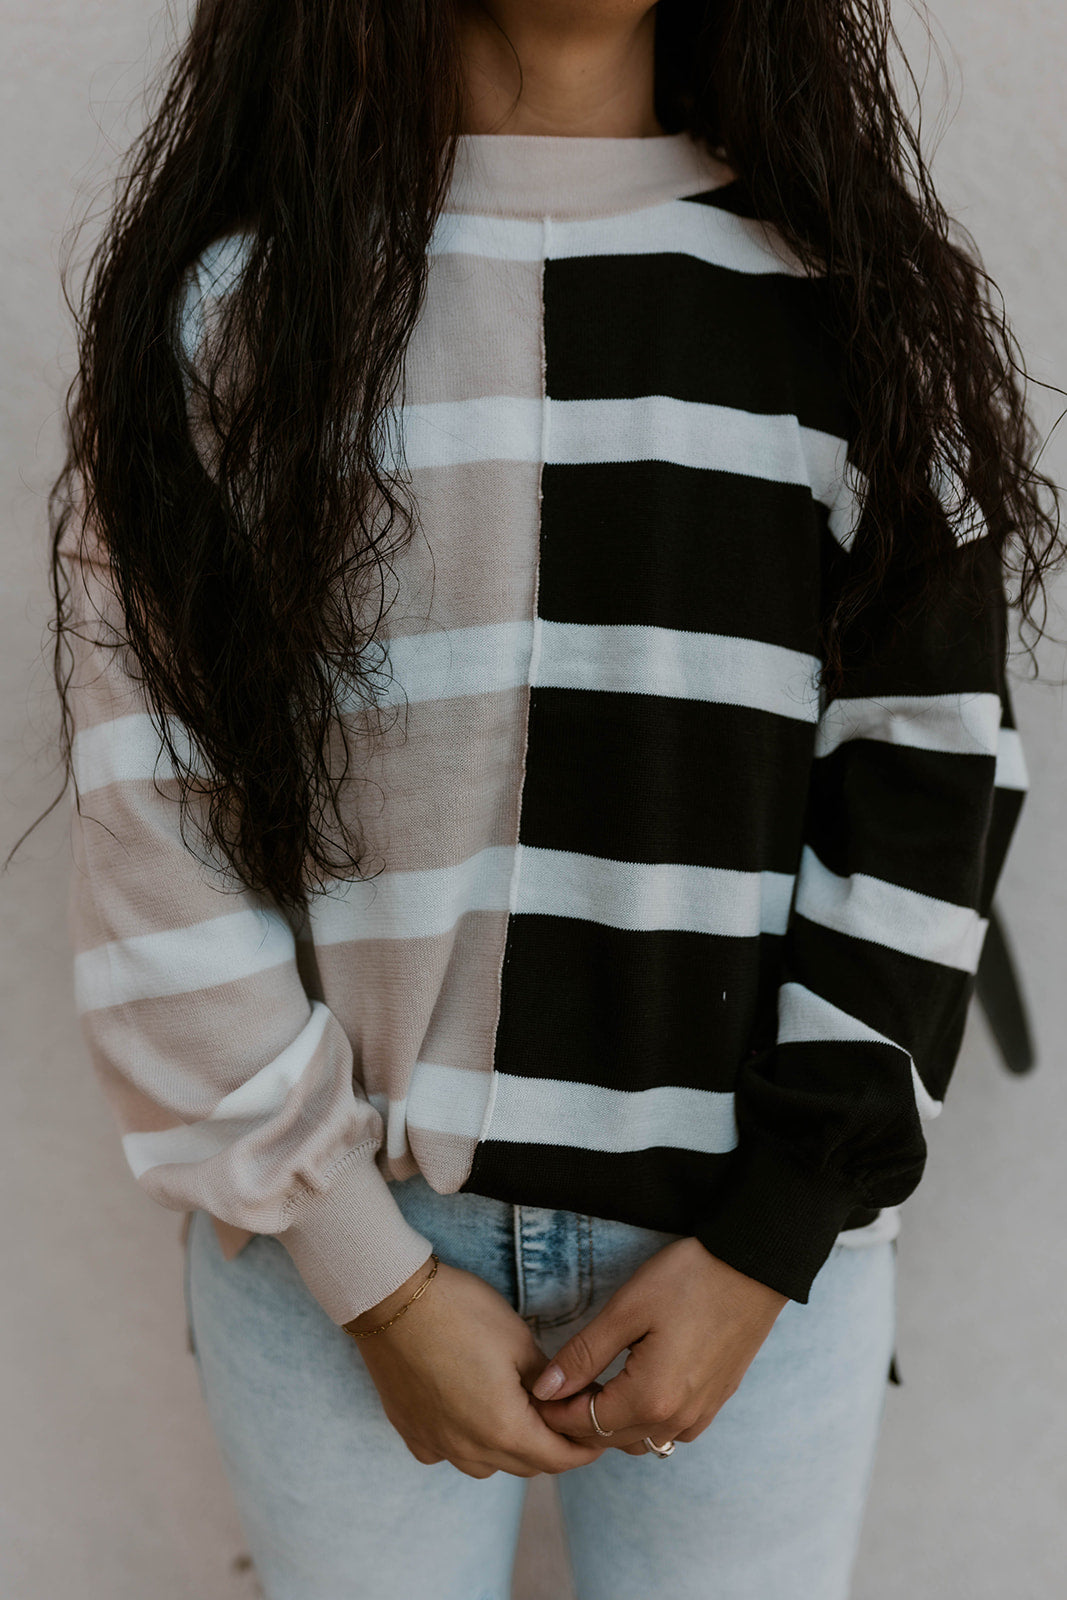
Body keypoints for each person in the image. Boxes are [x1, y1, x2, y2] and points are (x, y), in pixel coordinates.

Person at [46, 1, 1059, 1596]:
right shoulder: (232, 320)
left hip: (757, 1262)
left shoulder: (858, 319)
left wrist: (769, 1237)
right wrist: (371, 1277)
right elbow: (153, 818)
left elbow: (929, 793)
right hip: (336, 1253)